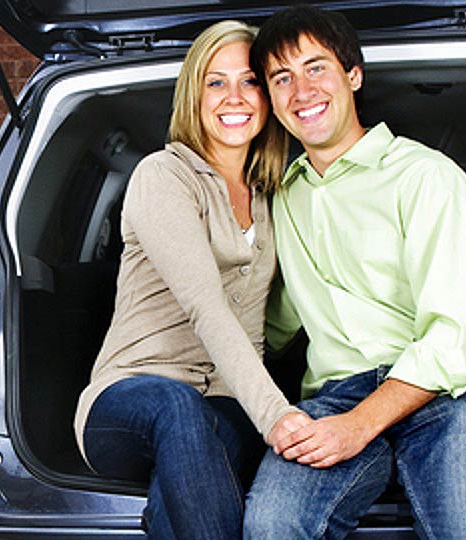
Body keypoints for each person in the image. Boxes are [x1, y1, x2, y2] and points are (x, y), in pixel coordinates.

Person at [241, 5, 466, 539]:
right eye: (282, 78)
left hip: (453, 395)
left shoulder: (426, 178)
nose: (301, 90)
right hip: (333, 397)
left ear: (353, 75)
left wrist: (359, 426)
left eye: (316, 68)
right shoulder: (281, 199)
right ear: (271, 99)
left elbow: (455, 336)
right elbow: (271, 323)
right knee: (271, 527)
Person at [74, 19, 299, 540]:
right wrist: (278, 417)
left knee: (193, 459)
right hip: (130, 394)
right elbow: (206, 306)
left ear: (267, 99)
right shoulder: (162, 176)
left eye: (249, 82)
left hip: (225, 403)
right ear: (193, 96)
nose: (234, 97)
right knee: (179, 409)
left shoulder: (272, 196)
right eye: (215, 82)